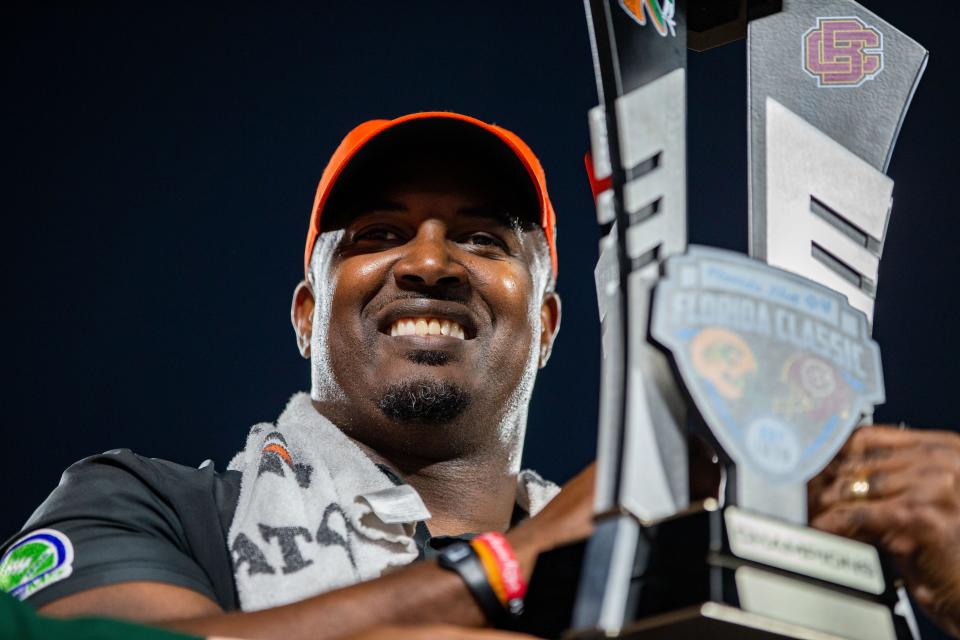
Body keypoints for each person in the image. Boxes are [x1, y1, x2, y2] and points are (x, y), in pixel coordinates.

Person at [1, 112, 958, 640]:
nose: (427, 261)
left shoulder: (662, 558)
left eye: (480, 238)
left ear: (545, 324)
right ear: (306, 315)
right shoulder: (145, 506)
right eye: (376, 236)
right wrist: (526, 561)